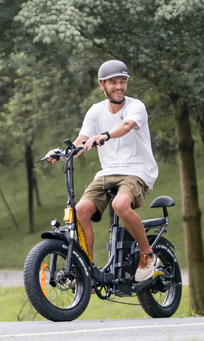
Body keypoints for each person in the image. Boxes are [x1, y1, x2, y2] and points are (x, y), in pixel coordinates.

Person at [45, 59, 159, 282]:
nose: (119, 86)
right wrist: (61, 153)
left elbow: (126, 126)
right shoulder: (96, 111)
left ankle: (148, 254)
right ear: (102, 85)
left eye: (123, 81)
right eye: (113, 82)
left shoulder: (136, 107)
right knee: (79, 212)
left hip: (136, 171)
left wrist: (105, 135)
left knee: (119, 205)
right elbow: (81, 141)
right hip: (108, 173)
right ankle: (87, 268)